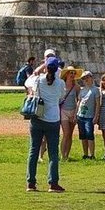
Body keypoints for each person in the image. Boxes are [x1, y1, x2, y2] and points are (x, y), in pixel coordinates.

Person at [25, 55, 67, 192]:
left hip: (37, 118)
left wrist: (40, 68)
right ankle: (53, 183)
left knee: (33, 151)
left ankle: (31, 183)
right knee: (53, 153)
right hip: (53, 119)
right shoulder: (60, 83)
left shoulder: (38, 79)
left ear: (46, 67)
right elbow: (61, 96)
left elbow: (27, 82)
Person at [75, 71, 100, 159]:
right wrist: (75, 114)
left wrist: (96, 116)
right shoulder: (82, 90)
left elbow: (97, 104)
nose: (86, 80)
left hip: (89, 116)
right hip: (80, 115)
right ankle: (85, 154)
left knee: (90, 135)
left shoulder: (95, 90)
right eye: (84, 78)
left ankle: (92, 154)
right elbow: (79, 102)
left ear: (91, 78)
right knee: (83, 135)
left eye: (87, 77)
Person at [58, 66, 80, 160]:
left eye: (74, 73)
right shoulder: (61, 85)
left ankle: (67, 155)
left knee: (70, 134)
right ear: (66, 74)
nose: (72, 75)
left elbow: (79, 100)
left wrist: (75, 114)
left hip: (73, 110)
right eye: (71, 73)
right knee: (66, 133)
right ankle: (63, 155)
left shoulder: (76, 87)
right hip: (63, 111)